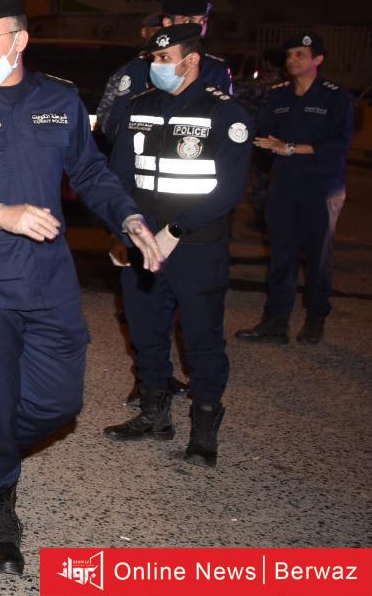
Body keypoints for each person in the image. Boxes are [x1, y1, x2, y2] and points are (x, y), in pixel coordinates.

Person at [0, 0, 163, 575]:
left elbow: (90, 170)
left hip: (47, 279)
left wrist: (126, 217)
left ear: (20, 40)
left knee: (59, 402)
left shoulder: (59, 99)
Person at [105, 24, 252, 468]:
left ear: (192, 60)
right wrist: (122, 230)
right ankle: (154, 414)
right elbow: (119, 176)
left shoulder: (225, 113)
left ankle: (204, 427)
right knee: (145, 330)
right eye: (153, 59)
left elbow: (228, 189)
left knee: (201, 336)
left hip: (196, 244)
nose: (156, 66)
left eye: (164, 59)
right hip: (143, 240)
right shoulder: (139, 107)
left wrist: (176, 229)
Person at [237, 32, 354, 345]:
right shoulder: (278, 97)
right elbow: (265, 137)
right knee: (281, 256)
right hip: (284, 185)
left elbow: (339, 143)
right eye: (289, 55)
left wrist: (291, 148)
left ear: (318, 59)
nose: (291, 60)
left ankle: (316, 318)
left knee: (317, 257)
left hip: (321, 186)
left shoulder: (335, 97)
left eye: (300, 54)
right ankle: (276, 322)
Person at [97, 0, 234, 145]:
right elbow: (115, 127)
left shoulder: (216, 69)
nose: (198, 28)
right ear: (168, 23)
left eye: (203, 21)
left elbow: (227, 121)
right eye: (188, 21)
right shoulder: (143, 66)